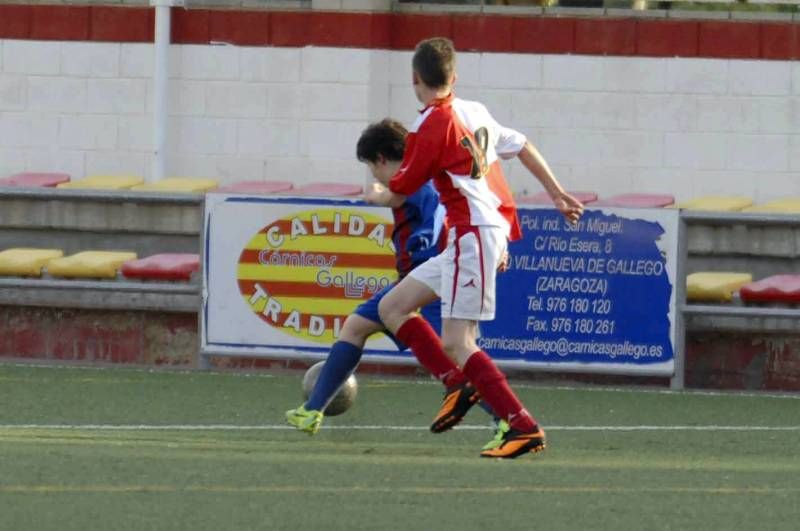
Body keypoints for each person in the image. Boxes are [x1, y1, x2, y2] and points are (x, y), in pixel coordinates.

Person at [377, 37, 584, 459]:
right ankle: (457, 384)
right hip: (472, 233)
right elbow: (522, 146)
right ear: (454, 76)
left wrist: (375, 192)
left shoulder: (428, 125)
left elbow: (402, 186)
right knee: (393, 308)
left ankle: (522, 426)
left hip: (472, 232)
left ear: (414, 78)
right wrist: (558, 193)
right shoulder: (475, 111)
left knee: (458, 340)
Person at [285, 119, 504, 450]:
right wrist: (382, 196)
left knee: (458, 355)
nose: (376, 178)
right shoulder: (410, 183)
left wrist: (423, 236)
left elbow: (433, 210)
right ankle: (312, 410)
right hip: (412, 282)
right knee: (356, 326)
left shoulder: (418, 181)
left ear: (382, 160)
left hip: (432, 283)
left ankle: (506, 419)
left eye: (374, 170)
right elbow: (403, 198)